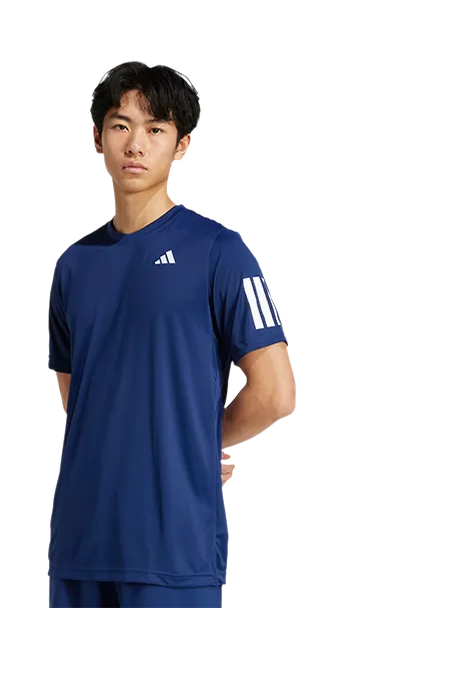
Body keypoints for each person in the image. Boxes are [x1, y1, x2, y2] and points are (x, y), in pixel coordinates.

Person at [48, 61, 296, 614]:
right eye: (120, 125)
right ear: (97, 137)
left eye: (155, 129)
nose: (135, 144)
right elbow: (73, 391)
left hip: (173, 549)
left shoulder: (220, 253)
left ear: (181, 144)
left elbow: (276, 393)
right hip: (79, 546)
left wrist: (194, 445)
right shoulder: (73, 265)